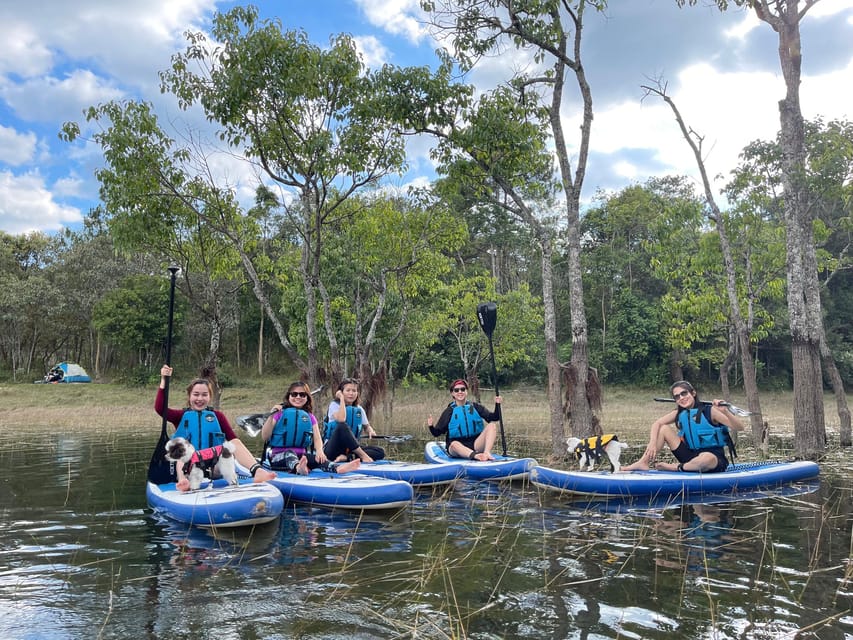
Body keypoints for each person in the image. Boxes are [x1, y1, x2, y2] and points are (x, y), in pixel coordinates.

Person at [155, 364, 276, 490]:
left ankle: (257, 471)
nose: (200, 398)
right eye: (196, 394)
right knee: (181, 452)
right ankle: (183, 481)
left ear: (209, 397)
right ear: (189, 396)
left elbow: (233, 442)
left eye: (204, 395)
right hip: (189, 468)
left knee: (235, 442)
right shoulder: (180, 416)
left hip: (213, 468)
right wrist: (164, 380)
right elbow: (160, 408)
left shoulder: (218, 416)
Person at [622, 380, 744, 473]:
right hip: (689, 456)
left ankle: (674, 467)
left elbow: (739, 427)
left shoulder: (710, 411)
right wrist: (652, 443)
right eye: (677, 396)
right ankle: (643, 462)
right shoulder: (680, 413)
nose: (681, 398)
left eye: (684, 393)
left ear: (693, 393)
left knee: (705, 458)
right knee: (664, 429)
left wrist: (725, 411)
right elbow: (657, 424)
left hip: (712, 459)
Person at [261, 381, 361, 475]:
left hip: (302, 457)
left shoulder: (310, 416)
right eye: (294, 394)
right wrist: (271, 415)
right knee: (289, 453)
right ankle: (298, 468)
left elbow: (317, 438)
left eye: (302, 395)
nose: (298, 397)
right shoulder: (279, 414)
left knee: (318, 459)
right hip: (278, 457)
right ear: (289, 396)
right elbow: (265, 437)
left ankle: (336, 468)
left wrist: (320, 452)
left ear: (307, 398)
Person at [427, 379, 501, 461]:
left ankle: (486, 453)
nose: (460, 392)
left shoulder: (475, 407)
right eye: (456, 390)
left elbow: (494, 417)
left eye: (463, 389)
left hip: (475, 444)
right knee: (454, 444)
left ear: (466, 391)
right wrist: (431, 426)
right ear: (452, 393)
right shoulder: (449, 411)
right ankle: (476, 456)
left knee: (492, 426)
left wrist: (497, 404)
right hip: (457, 449)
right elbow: (437, 433)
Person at [324, 378, 384, 463]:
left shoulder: (359, 409)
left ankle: (347, 457)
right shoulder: (334, 405)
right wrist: (341, 398)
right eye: (348, 390)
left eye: (354, 391)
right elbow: (341, 419)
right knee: (342, 426)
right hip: (333, 449)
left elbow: (366, 426)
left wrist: (370, 430)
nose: (351, 393)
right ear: (341, 392)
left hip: (350, 449)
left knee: (380, 452)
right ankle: (363, 456)